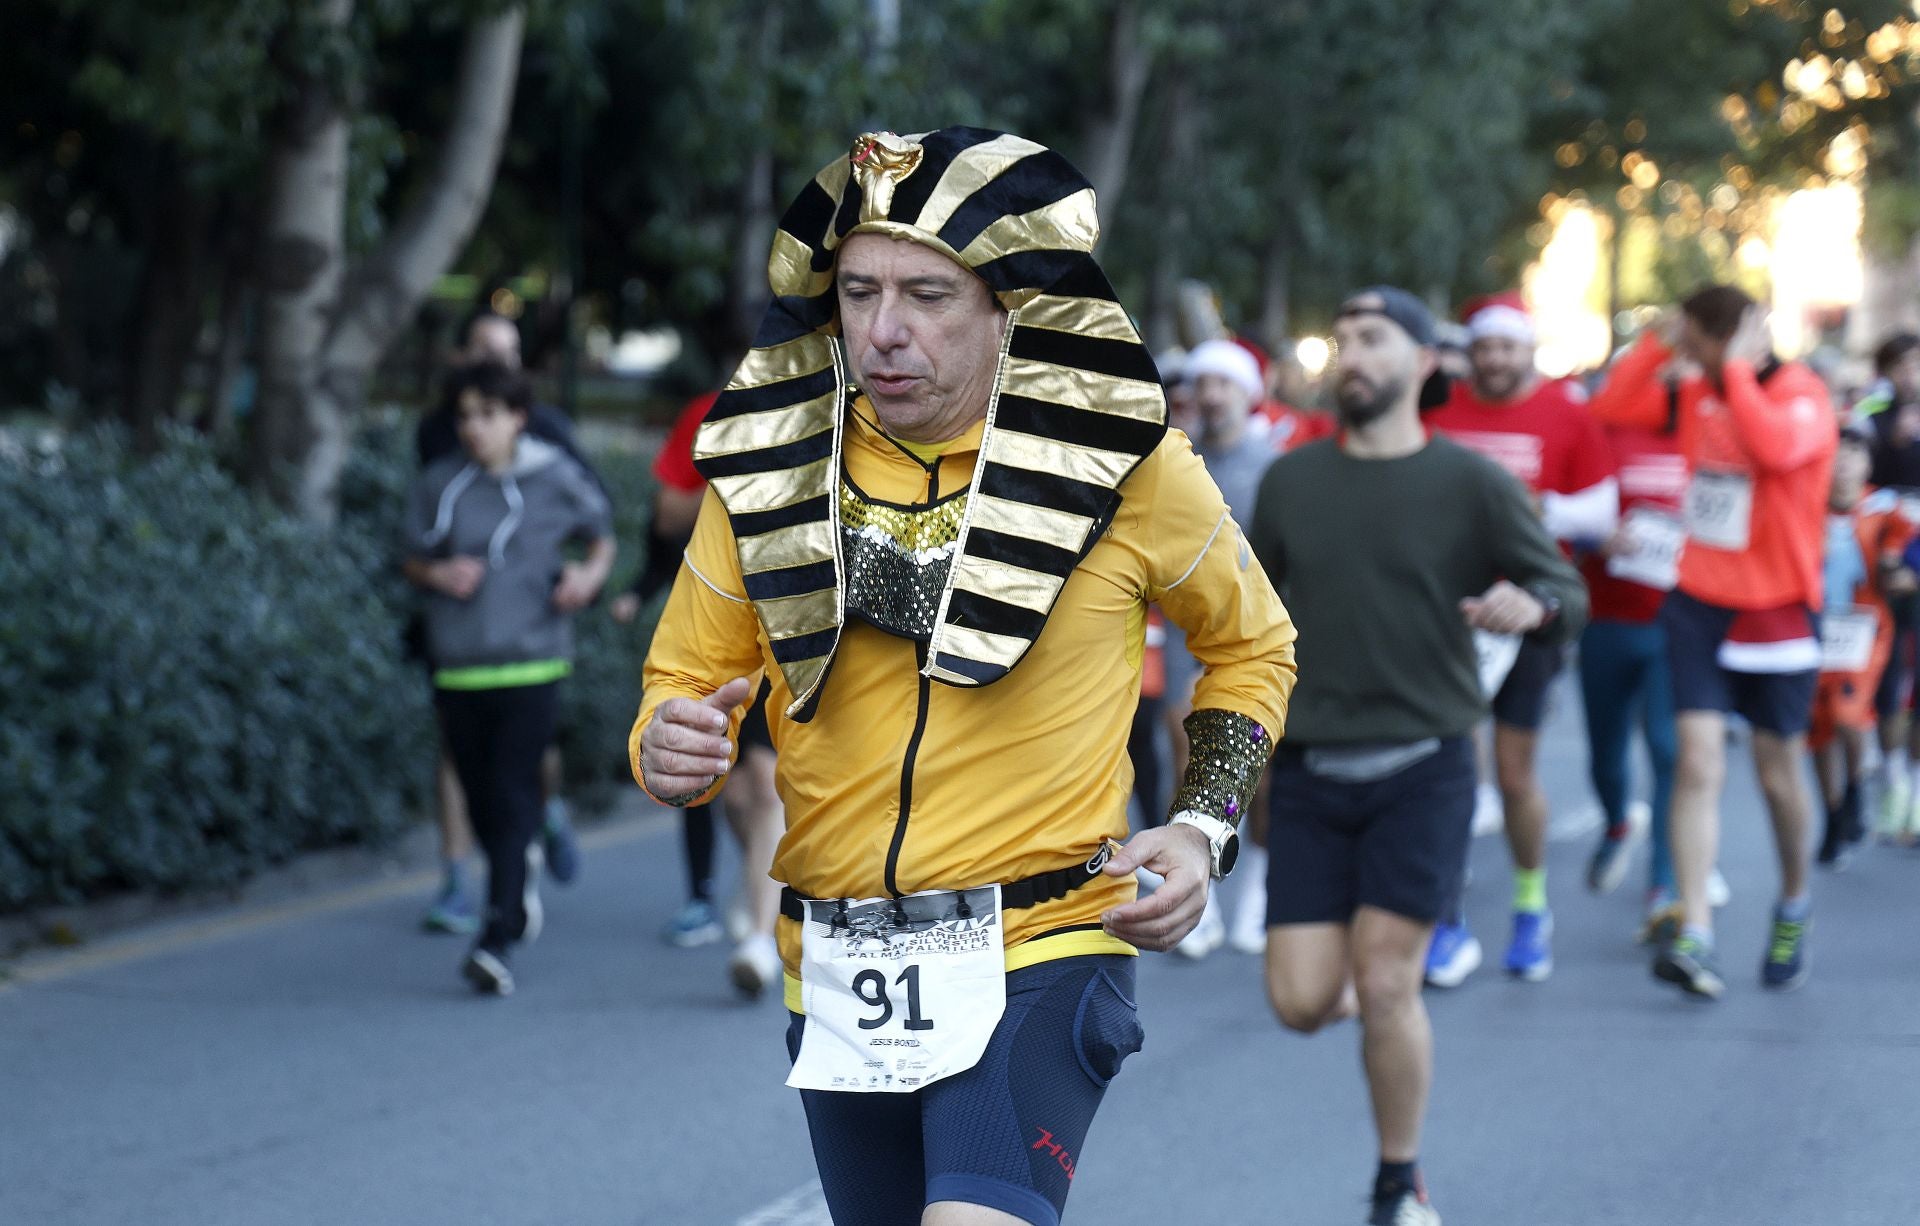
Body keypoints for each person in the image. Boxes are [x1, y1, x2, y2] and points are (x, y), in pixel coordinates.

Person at [631, 127, 1295, 1226]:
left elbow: (1253, 644)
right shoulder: (767, 464)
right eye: (858, 291)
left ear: (1007, 307)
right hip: (837, 959)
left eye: (929, 294)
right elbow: (683, 679)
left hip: (1043, 938)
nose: (885, 331)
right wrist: (664, 739)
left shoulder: (1119, 459)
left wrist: (1200, 825)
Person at [1249, 286, 1587, 1226]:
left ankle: (1400, 1181)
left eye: (1373, 338)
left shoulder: (1472, 483)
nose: (1351, 354)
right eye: (1343, 338)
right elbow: (1250, 623)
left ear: (1423, 363)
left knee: (1391, 981)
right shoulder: (1292, 481)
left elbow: (1562, 581)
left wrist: (1538, 604)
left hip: (1427, 766)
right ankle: (1369, 985)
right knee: (1301, 1000)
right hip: (1312, 770)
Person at [1589, 285, 1837, 999]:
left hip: (1779, 609)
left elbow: (1770, 447)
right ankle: (1695, 929)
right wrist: (1660, 342)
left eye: (1693, 338)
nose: (1685, 353)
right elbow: (1611, 408)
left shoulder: (1802, 394)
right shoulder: (1692, 386)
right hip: (1699, 601)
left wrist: (1730, 367)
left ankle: (1792, 902)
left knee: (1775, 772)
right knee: (1696, 763)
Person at [403, 362, 615, 994]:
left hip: (534, 659)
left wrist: (587, 578)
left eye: (488, 414)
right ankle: (515, 897)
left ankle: (495, 936)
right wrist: (437, 576)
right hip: (460, 664)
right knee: (482, 797)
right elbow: (411, 556)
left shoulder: (555, 475)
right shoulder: (439, 483)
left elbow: (601, 537)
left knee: (513, 787)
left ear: (517, 417)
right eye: (465, 415)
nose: (474, 427)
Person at [1424, 293, 1617, 984]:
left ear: (1527, 350)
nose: (1496, 359)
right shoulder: (1441, 408)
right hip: (1452, 608)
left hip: (1532, 612)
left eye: (1508, 347)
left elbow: (1602, 509)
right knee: (1447, 769)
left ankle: (1531, 909)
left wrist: (1543, 508)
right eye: (1486, 347)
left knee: (1513, 776)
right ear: (1471, 351)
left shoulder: (1567, 412)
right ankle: (1446, 918)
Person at [612, 388, 788, 994]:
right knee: (734, 793)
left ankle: (760, 940)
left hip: (795, 643)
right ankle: (761, 883)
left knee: (763, 787)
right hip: (723, 627)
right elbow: (666, 513)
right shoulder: (715, 411)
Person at [1161, 338, 1281, 959]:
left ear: (1248, 392)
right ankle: (1193, 891)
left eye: (1223, 384)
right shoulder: (1180, 460)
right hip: (1190, 633)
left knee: (1257, 766)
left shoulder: (1275, 462)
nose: (1210, 395)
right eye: (1203, 384)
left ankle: (1258, 887)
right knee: (1186, 747)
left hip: (1258, 633)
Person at [1578, 363, 1689, 943]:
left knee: (1670, 751)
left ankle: (1663, 887)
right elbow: (1579, 507)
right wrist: (1601, 534)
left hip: (1678, 622)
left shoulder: (1706, 437)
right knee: (1604, 752)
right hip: (1608, 615)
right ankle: (1618, 820)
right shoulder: (1609, 434)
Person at [1810, 421, 1916, 866]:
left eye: (1855, 452)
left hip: (1864, 634)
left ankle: (1854, 786)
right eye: (1837, 451)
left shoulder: (1885, 509)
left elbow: (1906, 554)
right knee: (1818, 729)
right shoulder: (1803, 504)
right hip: (1811, 629)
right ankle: (1833, 811)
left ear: (1867, 462)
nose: (1845, 462)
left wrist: (1899, 570)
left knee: (1849, 718)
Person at [1851, 332, 1920, 836]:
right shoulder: (1871, 413)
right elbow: (1854, 476)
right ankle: (1892, 775)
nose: (1911, 373)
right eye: (1903, 364)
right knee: (1889, 663)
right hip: (1887, 549)